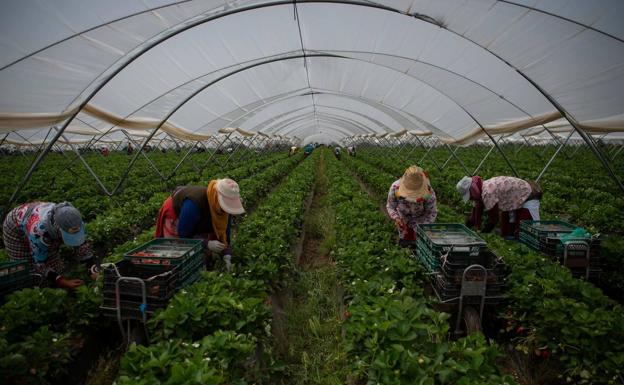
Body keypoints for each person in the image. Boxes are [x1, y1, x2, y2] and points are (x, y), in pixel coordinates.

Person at [2, 202, 98, 290]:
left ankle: (54, 283)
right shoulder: (39, 232)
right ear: (58, 229)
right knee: (28, 268)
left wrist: (92, 270)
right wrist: (62, 281)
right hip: (15, 226)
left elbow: (81, 246)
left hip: (36, 218)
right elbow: (40, 264)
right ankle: (31, 290)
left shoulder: (74, 220)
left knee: (55, 265)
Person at [154, 178, 245, 271]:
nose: (226, 211)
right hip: (176, 212)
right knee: (178, 250)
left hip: (198, 215)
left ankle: (203, 267)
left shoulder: (222, 209)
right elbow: (183, 235)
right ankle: (174, 273)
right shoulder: (193, 204)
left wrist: (227, 255)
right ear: (219, 200)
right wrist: (206, 243)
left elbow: (225, 233)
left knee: (204, 254)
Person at [456, 175, 542, 239]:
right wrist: (465, 228)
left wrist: (482, 235)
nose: (471, 198)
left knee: (526, 230)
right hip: (513, 200)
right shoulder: (481, 189)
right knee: (507, 231)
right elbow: (474, 216)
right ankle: (512, 239)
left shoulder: (488, 193)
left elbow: (493, 220)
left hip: (528, 195)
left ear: (473, 190)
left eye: (470, 195)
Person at [386, 166, 437, 247]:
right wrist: (397, 218)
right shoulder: (395, 188)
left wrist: (421, 228)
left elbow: (431, 212)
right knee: (404, 243)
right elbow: (390, 206)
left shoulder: (428, 193)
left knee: (419, 247)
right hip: (403, 219)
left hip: (421, 220)